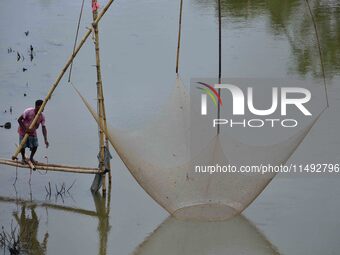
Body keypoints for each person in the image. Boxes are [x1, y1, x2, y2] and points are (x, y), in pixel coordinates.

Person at [18, 100, 49, 164]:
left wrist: (45, 139)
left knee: (35, 145)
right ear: (36, 106)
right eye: (41, 107)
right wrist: (25, 129)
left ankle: (31, 158)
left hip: (32, 132)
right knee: (22, 146)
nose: (42, 109)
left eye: (43, 107)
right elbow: (19, 120)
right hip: (23, 131)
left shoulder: (42, 116)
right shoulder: (28, 111)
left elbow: (43, 127)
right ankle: (23, 158)